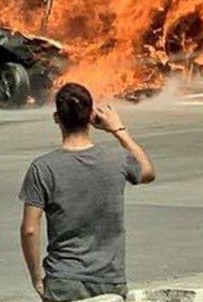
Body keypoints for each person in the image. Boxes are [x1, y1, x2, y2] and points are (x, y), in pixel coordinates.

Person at [19, 83, 157, 302]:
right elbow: (148, 172)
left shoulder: (42, 168)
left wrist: (36, 277)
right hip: (109, 278)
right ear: (91, 116)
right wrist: (118, 130)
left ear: (57, 118)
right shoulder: (116, 159)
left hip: (64, 280)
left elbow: (29, 229)